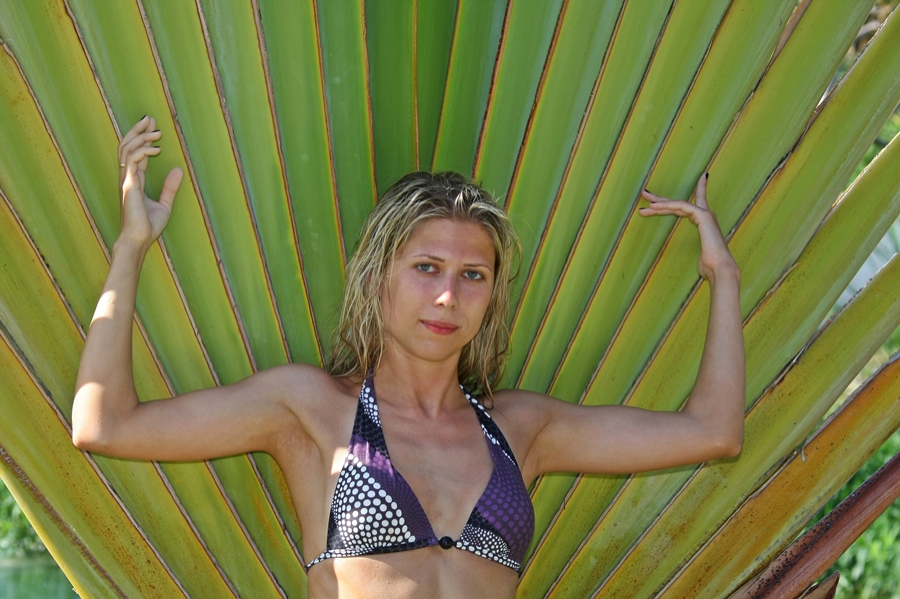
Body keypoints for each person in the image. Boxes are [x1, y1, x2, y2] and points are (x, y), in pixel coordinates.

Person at [73, 116, 744, 599]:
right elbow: (105, 425)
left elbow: (713, 432)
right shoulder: (309, 409)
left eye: (473, 275)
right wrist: (132, 247)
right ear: (378, 277)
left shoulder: (521, 430)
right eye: (426, 267)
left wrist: (723, 276)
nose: (448, 296)